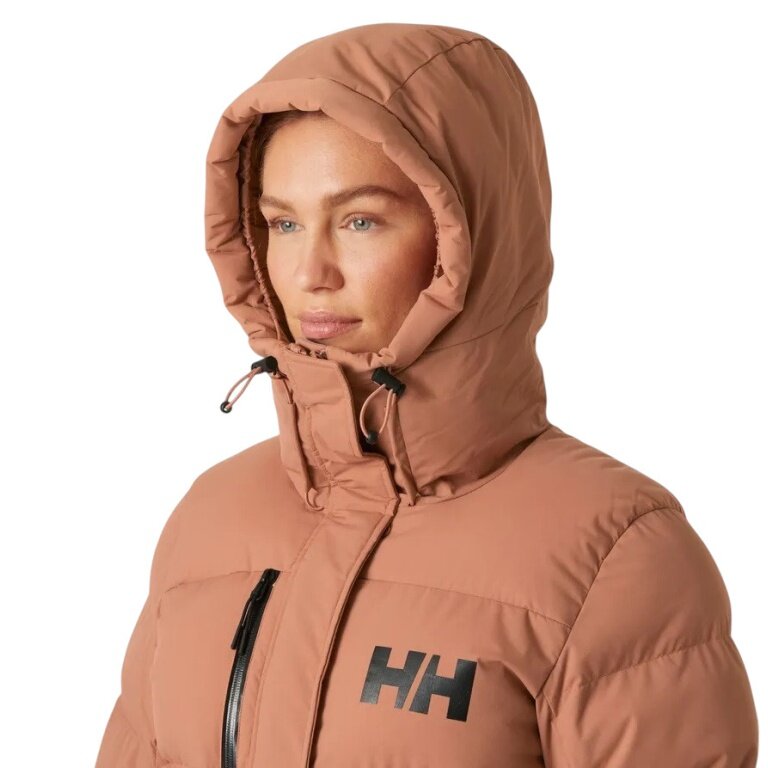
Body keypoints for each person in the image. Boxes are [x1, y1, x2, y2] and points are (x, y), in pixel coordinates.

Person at [94, 22, 759, 768]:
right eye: (283, 222)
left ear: (470, 233)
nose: (311, 272)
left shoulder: (615, 555)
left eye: (360, 221)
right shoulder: (212, 517)